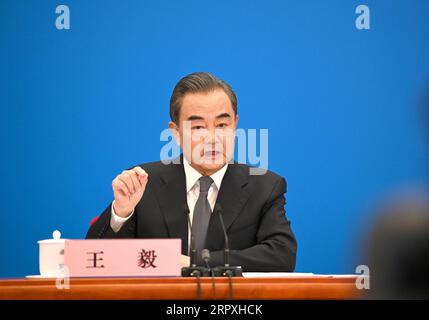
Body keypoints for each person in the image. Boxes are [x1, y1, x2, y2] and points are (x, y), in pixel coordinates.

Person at [86, 72, 297, 271]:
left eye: (222, 124)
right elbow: (94, 258)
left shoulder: (265, 186)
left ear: (235, 125)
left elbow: (282, 255)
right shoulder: (143, 182)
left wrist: (194, 263)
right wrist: (121, 213)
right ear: (175, 133)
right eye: (198, 127)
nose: (212, 138)